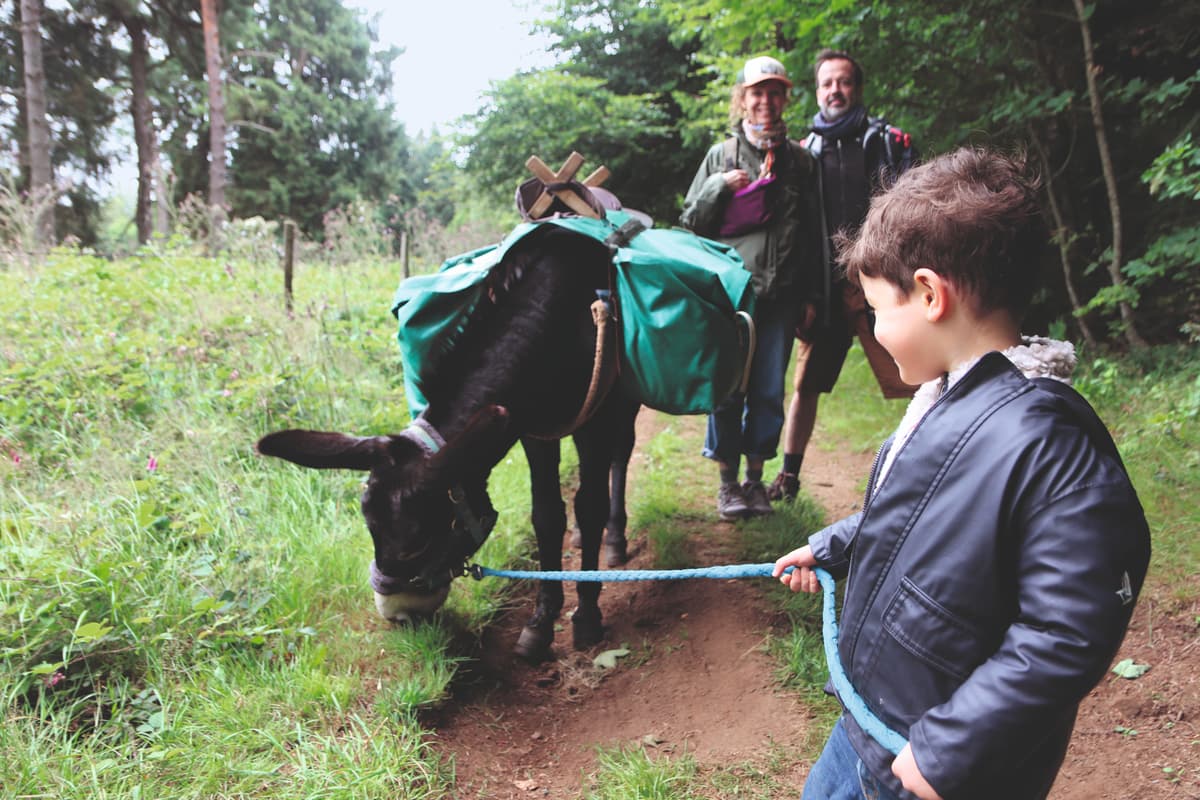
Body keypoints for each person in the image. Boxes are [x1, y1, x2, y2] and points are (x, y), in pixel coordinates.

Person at [772, 148, 1151, 800]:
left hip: (936, 760)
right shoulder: (948, 399)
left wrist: (953, 747)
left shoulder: (1048, 445)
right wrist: (837, 545)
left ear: (929, 295)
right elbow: (924, 517)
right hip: (871, 722)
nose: (875, 335)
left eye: (875, 313)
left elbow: (1066, 630)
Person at [768, 49, 918, 503]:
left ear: (858, 88)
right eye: (827, 82)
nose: (836, 90)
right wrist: (802, 294)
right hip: (826, 293)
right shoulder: (804, 153)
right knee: (806, 386)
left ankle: (928, 474)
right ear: (817, 91)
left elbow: (913, 210)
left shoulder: (887, 142)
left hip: (883, 288)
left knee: (918, 380)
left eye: (844, 82)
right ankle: (788, 478)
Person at [680, 55, 819, 521]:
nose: (766, 101)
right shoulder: (720, 157)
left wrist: (813, 297)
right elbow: (691, 223)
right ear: (742, 98)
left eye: (775, 91)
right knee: (726, 389)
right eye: (757, 92)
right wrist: (719, 187)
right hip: (730, 300)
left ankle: (756, 482)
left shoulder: (801, 161)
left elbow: (815, 234)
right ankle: (727, 485)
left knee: (766, 393)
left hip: (781, 301)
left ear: (785, 98)